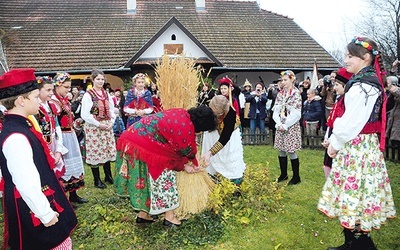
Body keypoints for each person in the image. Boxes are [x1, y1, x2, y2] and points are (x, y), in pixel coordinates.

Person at [318, 37, 396, 249]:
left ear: (366, 58)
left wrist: (335, 142)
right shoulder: (364, 80)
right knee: (355, 194)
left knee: (355, 193)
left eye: (350, 56)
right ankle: (354, 243)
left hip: (358, 146)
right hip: (357, 145)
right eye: (346, 55)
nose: (346, 60)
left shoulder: (365, 84)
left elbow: (353, 121)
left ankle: (362, 245)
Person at [0, 68, 77, 249]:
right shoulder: (16, 136)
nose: (39, 100)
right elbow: (24, 180)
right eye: (35, 97)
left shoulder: (21, 126)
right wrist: (45, 214)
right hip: (33, 208)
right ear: (20, 100)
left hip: (40, 199)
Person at [114, 105, 217, 226]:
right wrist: (186, 166)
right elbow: (183, 152)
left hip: (131, 139)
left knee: (145, 181)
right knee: (166, 177)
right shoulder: (186, 128)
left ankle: (143, 215)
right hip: (141, 144)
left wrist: (187, 163)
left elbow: (171, 147)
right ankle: (170, 217)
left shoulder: (181, 113)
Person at [51, 72, 88, 204]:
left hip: (70, 134)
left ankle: (73, 194)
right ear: (57, 86)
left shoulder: (63, 99)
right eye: (66, 87)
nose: (68, 90)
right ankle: (65, 198)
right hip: (61, 136)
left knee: (74, 164)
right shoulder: (53, 101)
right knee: (65, 165)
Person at [81, 69, 117, 188]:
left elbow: (112, 110)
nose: (100, 81)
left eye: (102, 79)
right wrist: (98, 124)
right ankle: (97, 179)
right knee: (95, 151)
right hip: (94, 127)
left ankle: (108, 175)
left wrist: (111, 122)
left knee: (106, 150)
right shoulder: (88, 95)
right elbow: (85, 114)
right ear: (93, 80)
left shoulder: (106, 94)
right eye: (98, 79)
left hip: (106, 125)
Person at [201, 95, 246, 186]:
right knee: (210, 163)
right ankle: (212, 181)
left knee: (229, 159)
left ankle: (234, 186)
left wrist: (211, 152)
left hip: (229, 139)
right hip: (212, 136)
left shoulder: (231, 114)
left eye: (218, 113)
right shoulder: (207, 109)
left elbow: (225, 138)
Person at [35, 76, 68, 180]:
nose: (51, 93)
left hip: (54, 142)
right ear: (38, 91)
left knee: (57, 176)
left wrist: (58, 150)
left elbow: (57, 128)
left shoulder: (51, 106)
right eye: (48, 90)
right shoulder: (36, 109)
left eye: (52, 90)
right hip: (43, 146)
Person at [272, 70, 302, 185]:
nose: (283, 82)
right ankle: (283, 174)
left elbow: (296, 113)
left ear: (292, 79)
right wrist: (278, 123)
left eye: (285, 80)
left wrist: (286, 124)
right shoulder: (280, 94)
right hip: (281, 124)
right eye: (282, 80)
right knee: (281, 150)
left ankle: (296, 176)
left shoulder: (296, 94)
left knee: (291, 150)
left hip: (290, 125)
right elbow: (276, 109)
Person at [321, 68, 351, 179]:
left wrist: (332, 140)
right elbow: (331, 120)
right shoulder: (338, 99)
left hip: (338, 138)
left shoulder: (345, 102)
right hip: (331, 136)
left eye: (337, 84)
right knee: (327, 167)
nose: (335, 87)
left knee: (337, 169)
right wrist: (326, 137)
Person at [386, 76, 400, 144]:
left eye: (387, 83)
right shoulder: (390, 94)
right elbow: (388, 106)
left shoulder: (397, 92)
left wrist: (396, 91)